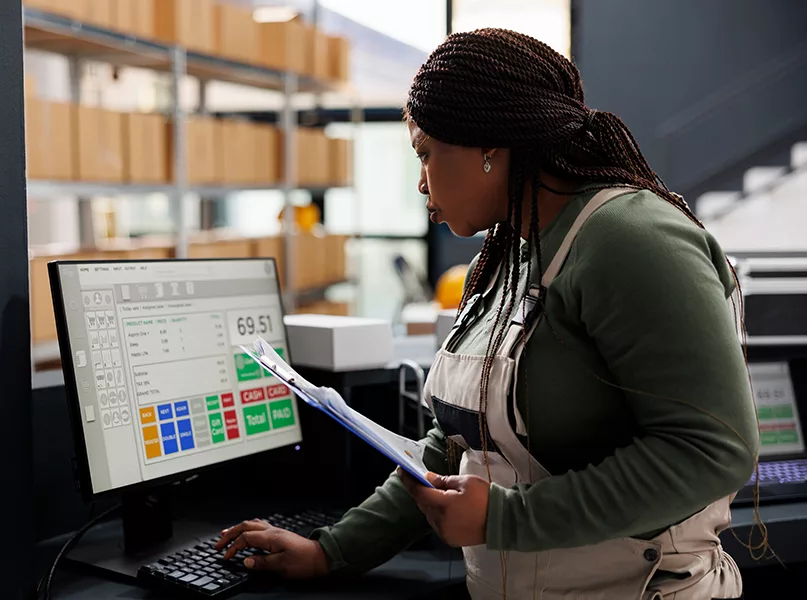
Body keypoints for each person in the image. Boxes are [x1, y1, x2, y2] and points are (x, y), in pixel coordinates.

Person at [216, 28, 762, 599]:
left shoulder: (630, 240)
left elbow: (713, 450)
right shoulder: (509, 252)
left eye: (426, 152)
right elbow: (453, 444)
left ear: (489, 147)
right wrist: (334, 551)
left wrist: (505, 518)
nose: (420, 180)